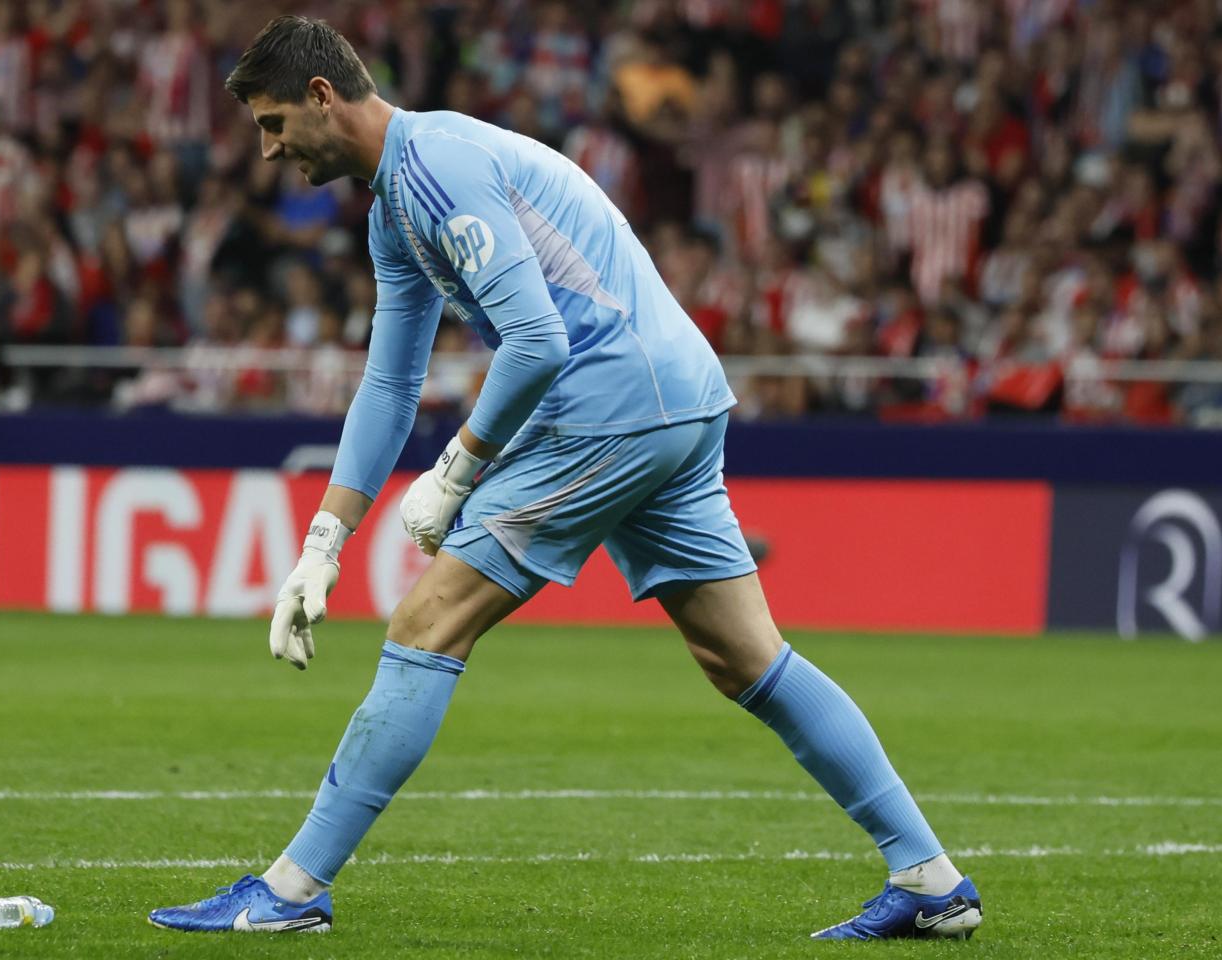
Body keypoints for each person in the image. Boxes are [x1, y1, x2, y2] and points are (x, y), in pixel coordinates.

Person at [147, 16, 982, 942]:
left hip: (608, 400)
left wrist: (456, 471)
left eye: (271, 124)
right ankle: (931, 877)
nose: (267, 151)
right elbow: (389, 383)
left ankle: (292, 891)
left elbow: (540, 342)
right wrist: (324, 542)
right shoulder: (399, 203)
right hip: (678, 395)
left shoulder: (436, 170)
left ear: (321, 96)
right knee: (745, 656)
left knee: (428, 623)